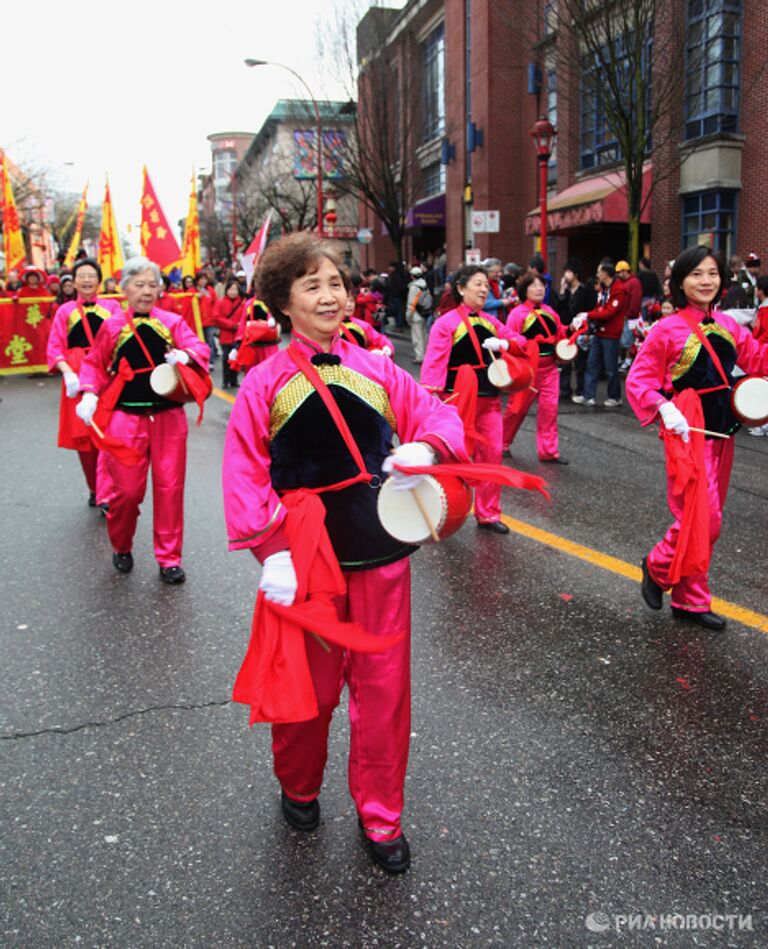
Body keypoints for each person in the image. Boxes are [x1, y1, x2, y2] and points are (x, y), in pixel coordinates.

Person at [221, 232, 467, 874]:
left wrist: (429, 450)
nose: (330, 296)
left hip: (381, 550)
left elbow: (439, 418)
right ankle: (298, 786)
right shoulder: (262, 383)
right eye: (312, 285)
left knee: (384, 693)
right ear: (283, 301)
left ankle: (380, 814)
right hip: (305, 561)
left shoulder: (381, 368)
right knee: (312, 693)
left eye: (336, 283)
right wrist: (271, 551)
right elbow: (244, 475)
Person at [626, 246, 768, 631]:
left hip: (723, 427)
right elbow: (639, 381)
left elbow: (758, 359)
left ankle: (691, 599)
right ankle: (657, 565)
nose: (706, 281)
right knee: (704, 517)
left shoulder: (729, 325)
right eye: (696, 274)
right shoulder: (665, 329)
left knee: (707, 515)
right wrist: (665, 408)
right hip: (687, 428)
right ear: (680, 282)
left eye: (712, 274)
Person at [76, 256, 210, 584]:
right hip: (125, 418)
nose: (147, 291)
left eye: (153, 285)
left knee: (170, 488)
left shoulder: (171, 321)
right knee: (126, 492)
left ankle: (169, 558)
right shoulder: (112, 325)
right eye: (139, 285)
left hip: (167, 417)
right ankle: (121, 545)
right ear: (125, 290)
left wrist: (186, 355)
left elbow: (198, 347)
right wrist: (89, 392)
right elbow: (94, 363)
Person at [420, 264, 524, 534]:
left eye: (486, 286)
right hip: (457, 403)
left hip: (489, 400)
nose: (483, 289)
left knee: (491, 456)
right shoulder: (446, 323)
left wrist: (505, 344)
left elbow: (519, 342)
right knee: (452, 460)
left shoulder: (492, 322)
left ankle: (488, 513)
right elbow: (434, 366)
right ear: (460, 288)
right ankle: (444, 511)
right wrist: (432, 403)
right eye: (477, 284)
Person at [46, 258, 123, 508]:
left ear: (100, 280)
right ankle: (95, 487)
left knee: (111, 434)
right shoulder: (64, 311)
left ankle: (108, 490)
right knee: (85, 440)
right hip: (77, 377)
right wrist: (68, 373)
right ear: (74, 281)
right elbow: (55, 347)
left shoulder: (112, 307)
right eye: (82, 276)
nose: (87, 280)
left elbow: (123, 338)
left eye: (92, 275)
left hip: (107, 375)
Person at [503, 272, 568, 463]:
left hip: (549, 369)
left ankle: (548, 451)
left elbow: (560, 334)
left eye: (542, 285)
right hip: (527, 371)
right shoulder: (517, 314)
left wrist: (572, 330)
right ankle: (502, 443)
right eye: (534, 285)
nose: (539, 288)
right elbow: (510, 342)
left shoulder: (551, 311)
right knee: (516, 410)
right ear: (525, 290)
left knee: (550, 410)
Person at [572, 262, 629, 407]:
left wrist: (588, 315)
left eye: (599, 272)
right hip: (599, 332)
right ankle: (588, 395)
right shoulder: (605, 290)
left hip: (611, 333)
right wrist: (589, 316)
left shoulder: (618, 290)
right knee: (592, 363)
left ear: (605, 273)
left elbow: (609, 312)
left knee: (610, 367)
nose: (597, 275)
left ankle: (615, 397)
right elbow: (600, 308)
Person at [553, 259, 596, 400]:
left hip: (580, 328)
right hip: (566, 328)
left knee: (580, 362)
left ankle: (580, 390)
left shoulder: (585, 291)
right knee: (564, 360)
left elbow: (590, 309)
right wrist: (562, 291)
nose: (566, 275)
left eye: (569, 272)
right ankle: (565, 389)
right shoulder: (565, 291)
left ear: (576, 274)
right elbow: (558, 309)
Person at [214, 276, 245, 389]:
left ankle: (234, 380)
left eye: (235, 290)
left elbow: (245, 317)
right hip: (226, 335)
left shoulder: (242, 304)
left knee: (237, 358)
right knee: (226, 358)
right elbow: (217, 317)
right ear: (227, 290)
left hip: (238, 336)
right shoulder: (221, 303)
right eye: (231, 289)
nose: (233, 292)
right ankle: (225, 380)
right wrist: (231, 325)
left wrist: (239, 326)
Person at [405, 266, 432, 364]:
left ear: (412, 276)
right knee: (424, 335)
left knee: (417, 337)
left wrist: (408, 317)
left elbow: (411, 304)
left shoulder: (414, 287)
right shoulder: (425, 285)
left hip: (416, 315)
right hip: (425, 313)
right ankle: (425, 354)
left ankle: (420, 356)